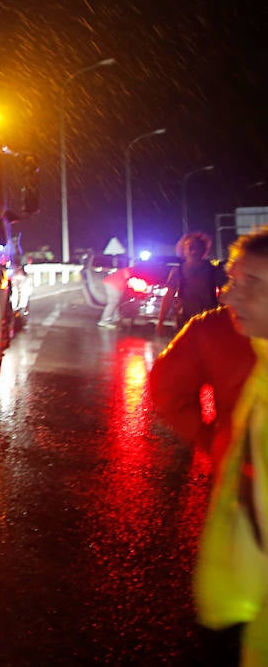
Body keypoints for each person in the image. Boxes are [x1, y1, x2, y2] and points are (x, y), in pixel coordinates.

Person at [193, 227, 268, 662]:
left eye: (250, 285)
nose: (229, 297)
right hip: (238, 612)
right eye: (233, 282)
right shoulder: (261, 367)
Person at [150, 305, 257, 466]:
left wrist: (210, 440)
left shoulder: (216, 324)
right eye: (232, 282)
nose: (229, 294)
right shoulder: (215, 325)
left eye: (252, 280)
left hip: (238, 469)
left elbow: (168, 390)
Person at [159, 231, 227, 334]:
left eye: (198, 247)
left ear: (204, 250)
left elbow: (225, 295)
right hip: (185, 322)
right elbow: (169, 296)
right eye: (191, 247)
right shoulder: (178, 271)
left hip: (209, 322)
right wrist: (161, 321)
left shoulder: (214, 270)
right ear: (184, 250)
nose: (194, 251)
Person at [97, 263, 135, 329]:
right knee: (113, 302)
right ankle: (104, 321)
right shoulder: (128, 270)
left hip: (116, 285)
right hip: (113, 284)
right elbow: (128, 279)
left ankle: (115, 318)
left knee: (116, 302)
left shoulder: (130, 270)